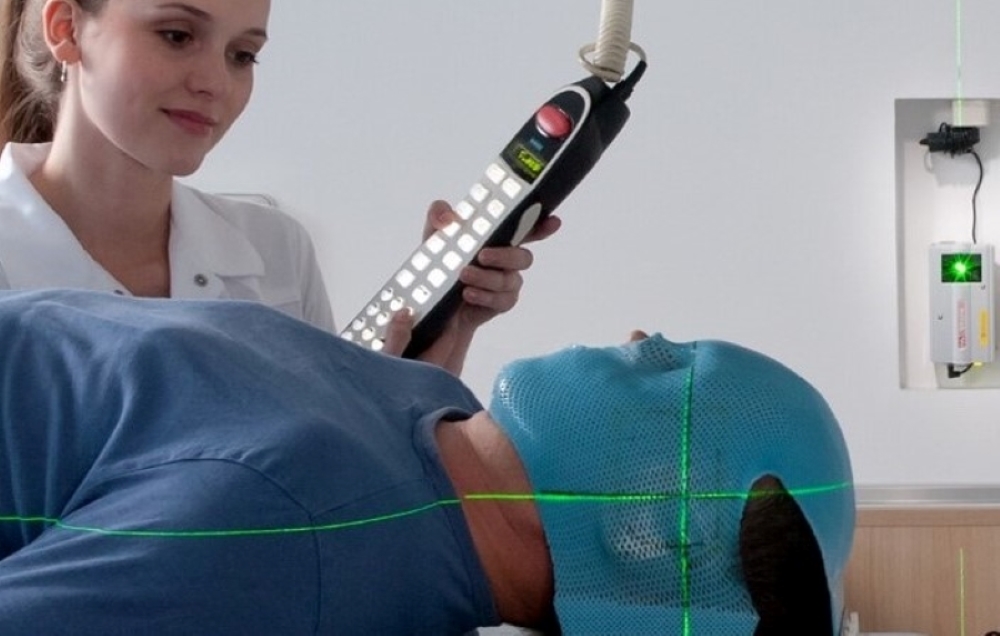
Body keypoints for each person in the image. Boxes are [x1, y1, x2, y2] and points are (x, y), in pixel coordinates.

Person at [0, 289, 855, 635]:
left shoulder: (295, 535)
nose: (641, 335)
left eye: (673, 367)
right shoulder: (430, 409)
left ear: (644, 533)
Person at [0, 0, 560, 375]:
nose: (214, 82)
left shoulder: (275, 252)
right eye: (177, 35)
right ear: (66, 28)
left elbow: (329, 485)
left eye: (242, 55)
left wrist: (432, 349)